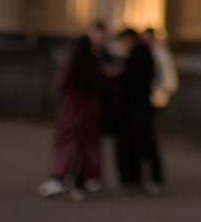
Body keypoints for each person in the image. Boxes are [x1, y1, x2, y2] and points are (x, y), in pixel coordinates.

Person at [37, 24, 109, 199]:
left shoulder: (72, 63)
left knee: (67, 143)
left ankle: (60, 177)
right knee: (87, 145)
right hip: (90, 108)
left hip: (73, 107)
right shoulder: (95, 63)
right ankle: (82, 180)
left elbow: (61, 84)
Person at [111, 27, 155, 194]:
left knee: (128, 147)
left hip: (131, 110)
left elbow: (130, 81)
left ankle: (130, 180)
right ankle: (137, 180)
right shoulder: (144, 55)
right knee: (139, 146)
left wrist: (116, 76)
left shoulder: (137, 57)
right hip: (139, 108)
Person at [141, 27, 178, 190]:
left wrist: (153, 90)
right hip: (149, 100)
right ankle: (148, 174)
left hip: (155, 101)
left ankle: (156, 176)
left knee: (151, 139)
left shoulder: (160, 55)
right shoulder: (150, 54)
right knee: (145, 139)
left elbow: (169, 82)